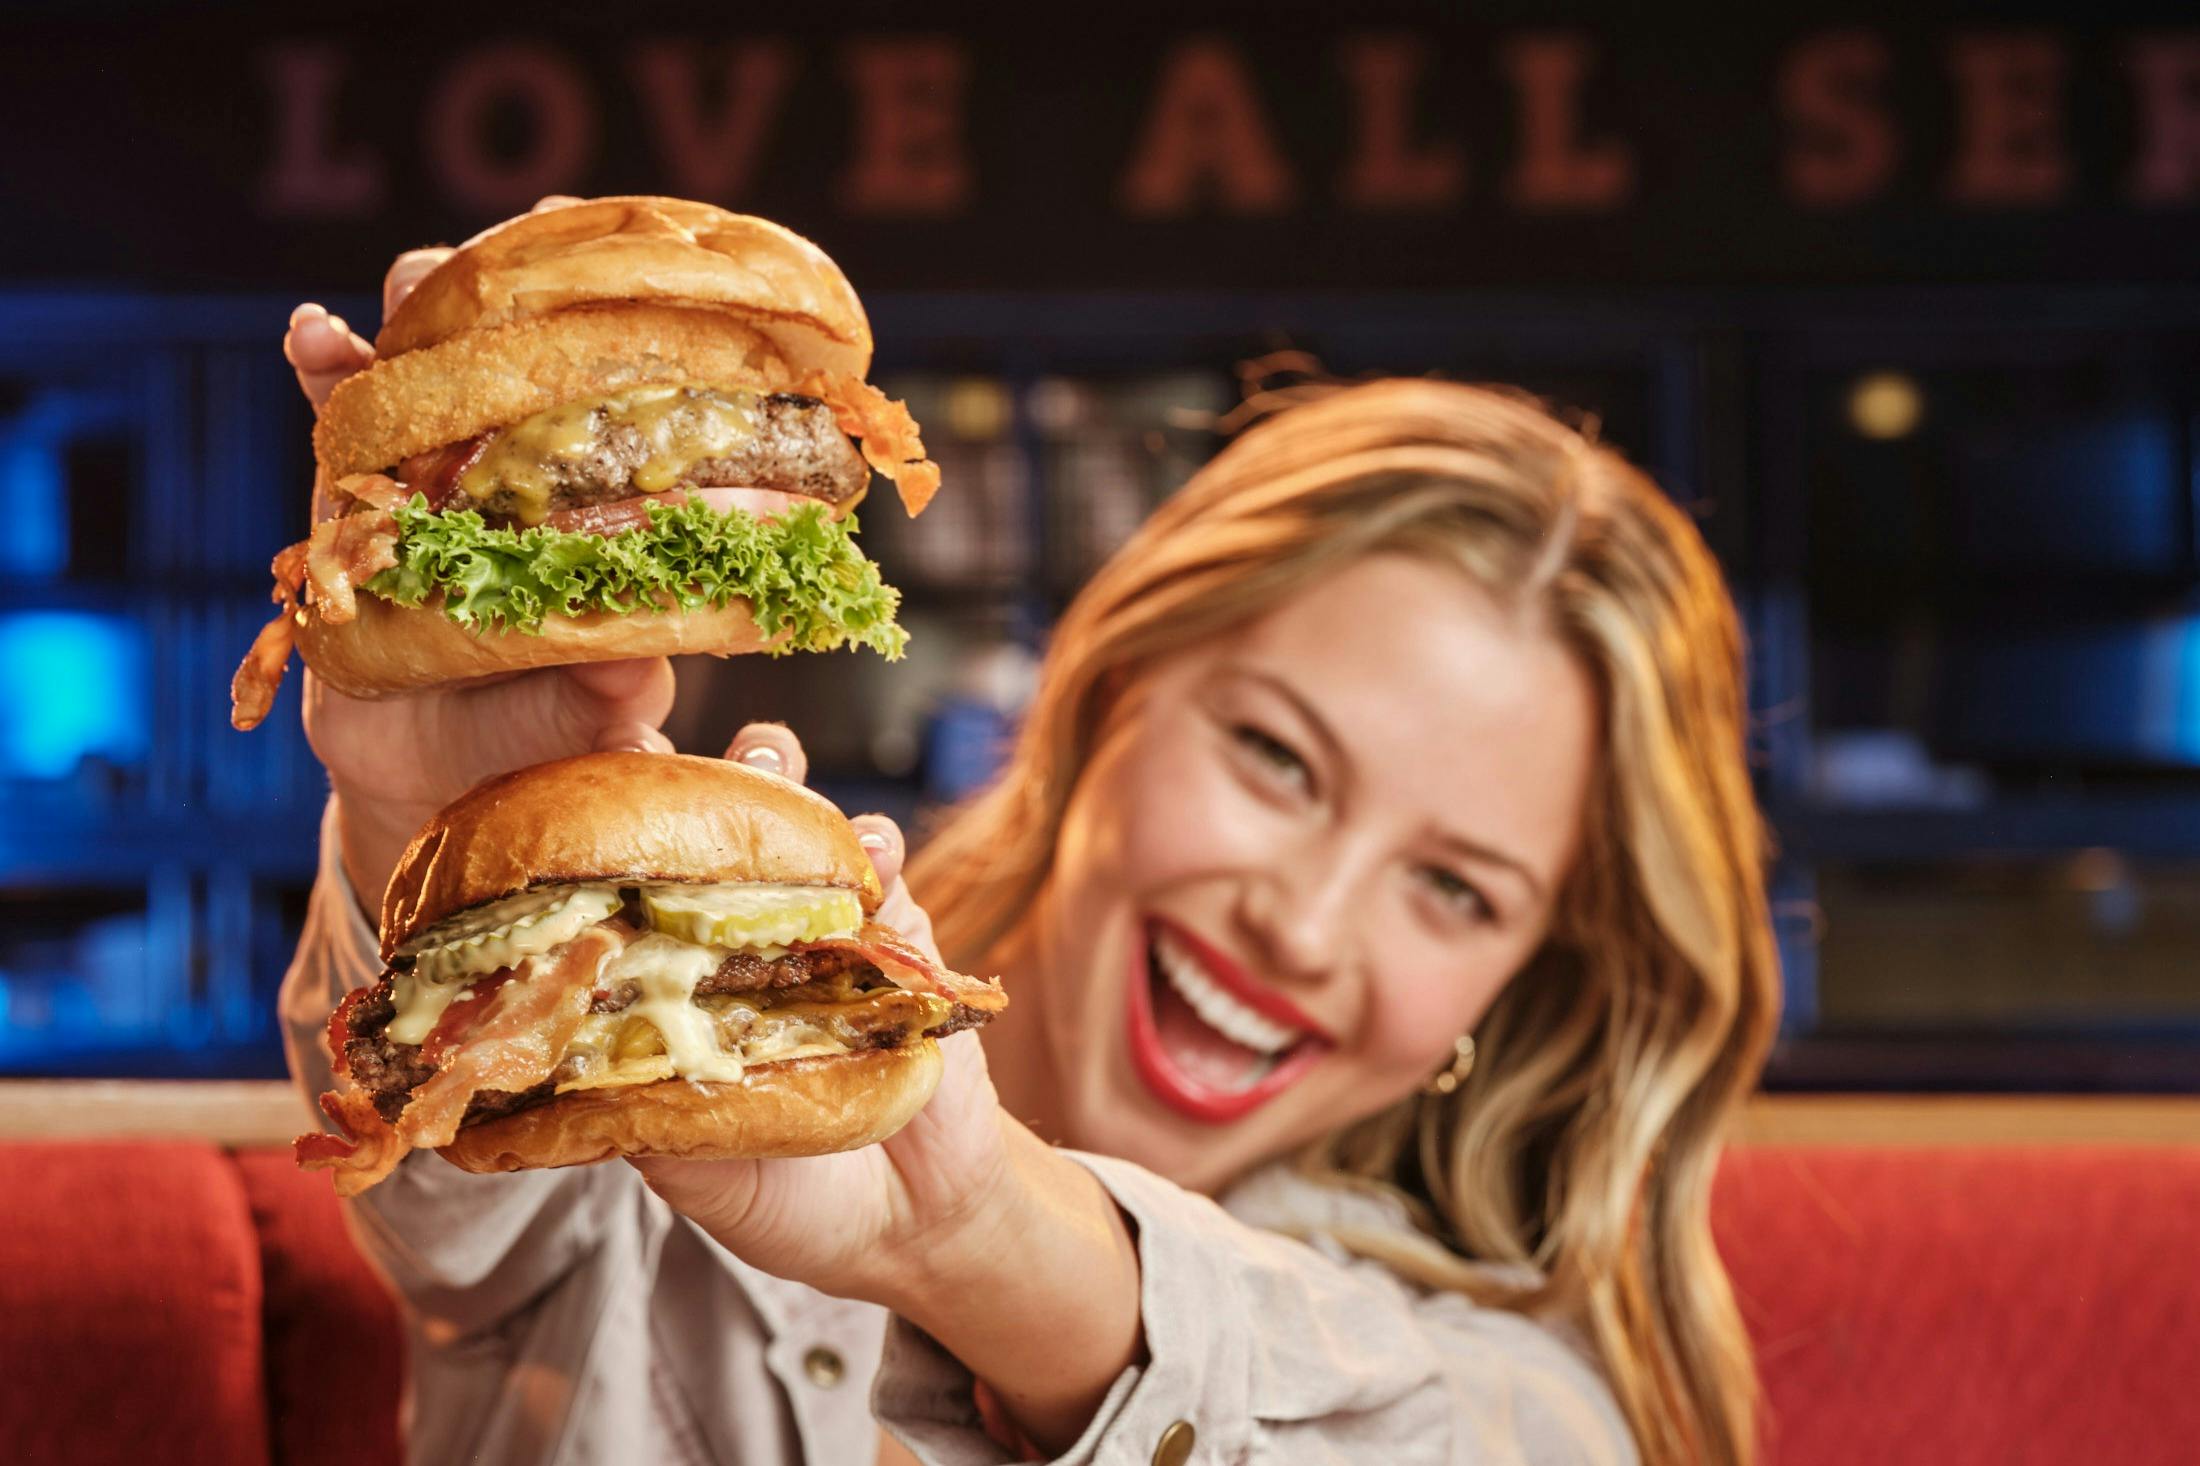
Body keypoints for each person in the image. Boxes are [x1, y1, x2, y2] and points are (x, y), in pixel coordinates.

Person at [281, 236, 1777, 1465]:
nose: (1306, 926)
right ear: (1104, 700)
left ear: (1520, 981)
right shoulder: (641, 1084)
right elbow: (451, 1198)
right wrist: (436, 832)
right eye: (1275, 758)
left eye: (1456, 889)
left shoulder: (1513, 1406)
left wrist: (977, 1230)